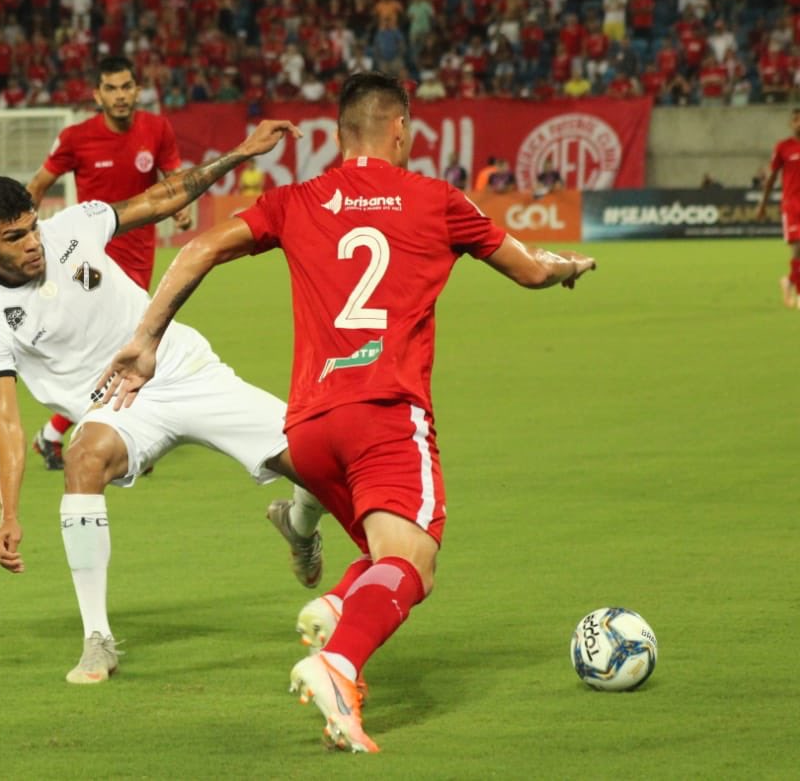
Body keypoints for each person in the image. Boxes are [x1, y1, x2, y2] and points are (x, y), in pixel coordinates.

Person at [98, 72, 596, 752]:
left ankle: (336, 603)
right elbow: (531, 270)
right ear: (402, 129)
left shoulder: (300, 198)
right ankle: (338, 662)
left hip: (307, 429)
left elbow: (198, 247)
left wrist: (146, 338)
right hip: (386, 413)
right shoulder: (438, 199)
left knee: (384, 552)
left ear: (338, 134)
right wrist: (566, 266)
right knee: (414, 561)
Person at [0, 118, 329, 685]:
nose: (34, 243)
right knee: (81, 460)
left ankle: (300, 525)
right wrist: (7, 514)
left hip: (181, 367)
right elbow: (5, 423)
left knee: (323, 461)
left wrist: (239, 151)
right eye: (15, 238)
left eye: (32, 228)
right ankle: (97, 640)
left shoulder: (75, 227)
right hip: (118, 407)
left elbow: (160, 198)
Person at [24, 56, 191, 471]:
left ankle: (56, 432)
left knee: (126, 346)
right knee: (122, 344)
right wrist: (25, 235)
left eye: (126, 87)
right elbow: (38, 186)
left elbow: (174, 178)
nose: (120, 95)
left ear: (137, 90)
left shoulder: (157, 130)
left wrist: (180, 209)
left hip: (139, 258)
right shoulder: (76, 137)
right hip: (90, 261)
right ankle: (117, 434)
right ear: (98, 95)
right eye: (111, 89)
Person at [754, 108, 800, 308]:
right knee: (798, 249)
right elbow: (772, 178)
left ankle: (789, 281)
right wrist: (762, 204)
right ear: (791, 124)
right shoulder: (783, 147)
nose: (799, 122)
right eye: (796, 119)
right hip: (792, 205)